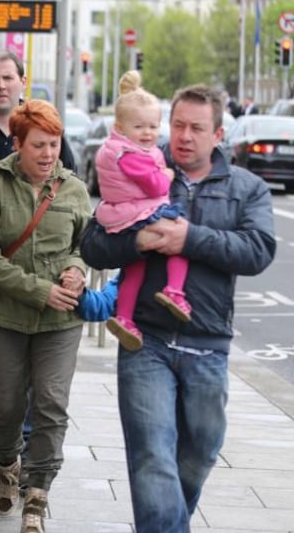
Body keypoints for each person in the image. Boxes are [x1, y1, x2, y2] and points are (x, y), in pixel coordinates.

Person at [81, 85, 276, 533]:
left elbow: (258, 250)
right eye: (177, 125)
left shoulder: (247, 187)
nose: (183, 136)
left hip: (208, 344)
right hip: (144, 339)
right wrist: (137, 240)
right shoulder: (141, 162)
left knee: (200, 453)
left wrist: (191, 239)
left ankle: (166, 522)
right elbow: (92, 244)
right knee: (151, 455)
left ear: (219, 134)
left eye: (196, 128)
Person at [0, 99, 91, 533]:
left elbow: (85, 243)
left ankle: (37, 495)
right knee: (4, 405)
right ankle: (6, 460)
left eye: (54, 145)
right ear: (16, 144)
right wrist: (40, 291)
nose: (47, 154)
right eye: (37, 145)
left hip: (61, 323)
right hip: (2, 318)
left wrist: (76, 269)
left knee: (52, 404)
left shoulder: (73, 189)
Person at [0, 50, 75, 482]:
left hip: (49, 291)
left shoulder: (50, 136)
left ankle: (26, 458)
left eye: (9, 77)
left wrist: (74, 267)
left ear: (22, 81)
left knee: (44, 391)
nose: (1, 85)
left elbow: (75, 206)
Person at [95, 71, 190, 351]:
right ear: (121, 127)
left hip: (124, 212)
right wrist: (168, 175)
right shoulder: (131, 155)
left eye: (153, 126)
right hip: (139, 211)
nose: (148, 133)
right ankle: (174, 290)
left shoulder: (118, 148)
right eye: (140, 127)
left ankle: (124, 318)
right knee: (179, 241)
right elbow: (154, 185)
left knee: (134, 269)